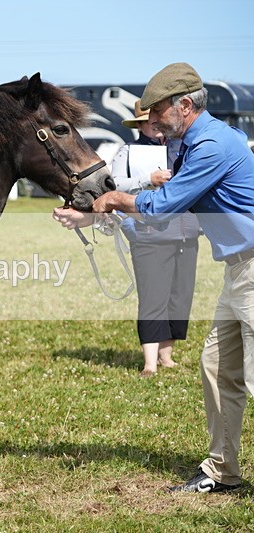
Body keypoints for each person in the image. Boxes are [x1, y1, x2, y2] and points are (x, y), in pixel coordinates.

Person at [53, 62, 254, 493]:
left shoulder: (213, 146)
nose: (152, 122)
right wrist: (91, 214)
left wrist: (110, 199)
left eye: (157, 112)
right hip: (240, 271)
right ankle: (223, 472)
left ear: (184, 105)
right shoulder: (191, 143)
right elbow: (164, 203)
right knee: (218, 369)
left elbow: (162, 204)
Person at [111, 99, 201, 377]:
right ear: (140, 125)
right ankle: (149, 362)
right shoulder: (128, 151)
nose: (156, 125)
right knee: (152, 295)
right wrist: (147, 179)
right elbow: (113, 184)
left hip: (186, 231)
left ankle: (166, 355)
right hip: (148, 233)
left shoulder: (182, 148)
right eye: (150, 121)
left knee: (180, 294)